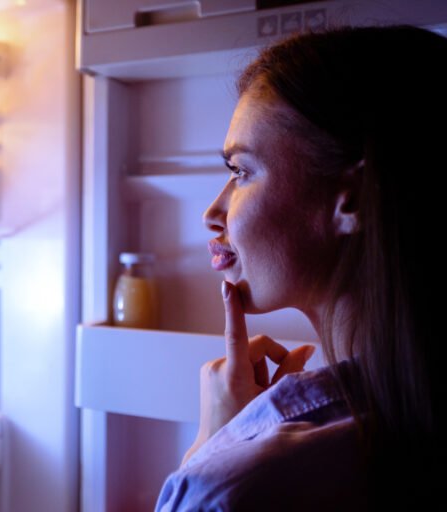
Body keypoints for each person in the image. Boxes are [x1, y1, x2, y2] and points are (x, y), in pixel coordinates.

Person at [155, 24, 443, 511]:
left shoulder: (240, 485)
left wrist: (214, 445)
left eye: (241, 171)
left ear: (349, 198)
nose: (212, 213)